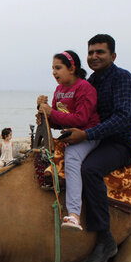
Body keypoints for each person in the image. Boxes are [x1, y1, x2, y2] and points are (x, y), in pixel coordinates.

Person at [61, 34, 131, 262]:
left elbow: (123, 118)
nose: (94, 56)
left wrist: (86, 134)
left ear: (112, 55)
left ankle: (104, 237)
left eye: (100, 52)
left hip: (120, 142)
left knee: (90, 169)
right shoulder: (90, 83)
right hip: (96, 139)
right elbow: (80, 113)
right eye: (91, 52)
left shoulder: (123, 79)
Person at [37, 50, 100, 231]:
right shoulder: (59, 90)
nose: (54, 72)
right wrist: (42, 110)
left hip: (88, 135)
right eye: (52, 68)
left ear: (72, 68)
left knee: (72, 159)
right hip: (69, 135)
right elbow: (57, 121)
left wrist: (51, 111)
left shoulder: (85, 88)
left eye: (58, 67)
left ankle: (74, 215)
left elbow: (81, 119)